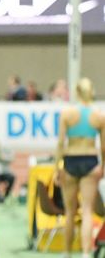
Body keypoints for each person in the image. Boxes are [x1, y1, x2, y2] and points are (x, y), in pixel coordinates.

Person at [55, 78, 105, 258]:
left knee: (69, 212)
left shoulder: (67, 114)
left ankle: (67, 252)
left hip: (71, 160)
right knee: (87, 210)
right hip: (90, 160)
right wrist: (103, 166)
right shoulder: (99, 115)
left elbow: (61, 143)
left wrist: (56, 168)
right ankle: (85, 252)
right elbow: (104, 146)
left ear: (76, 92)